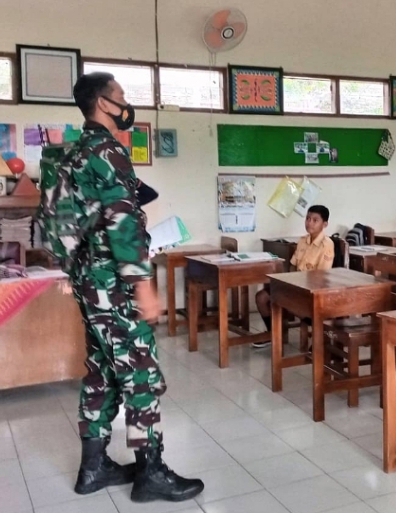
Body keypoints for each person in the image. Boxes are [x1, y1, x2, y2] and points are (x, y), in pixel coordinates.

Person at [70, 72, 203, 502]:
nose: (126, 103)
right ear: (103, 104)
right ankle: (150, 474)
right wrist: (143, 286)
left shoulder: (76, 151)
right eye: (121, 96)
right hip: (116, 286)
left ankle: (93, 468)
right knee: (140, 373)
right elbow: (122, 222)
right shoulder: (108, 151)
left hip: (89, 283)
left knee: (101, 371)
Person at [253, 205, 334, 348]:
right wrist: (290, 282)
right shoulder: (302, 241)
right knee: (261, 297)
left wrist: (299, 286)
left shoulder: (327, 245)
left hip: (312, 290)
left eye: (315, 220)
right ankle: (274, 334)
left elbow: (321, 276)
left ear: (325, 224)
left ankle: (321, 337)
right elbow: (292, 265)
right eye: (308, 218)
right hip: (295, 285)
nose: (309, 223)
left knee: (293, 305)